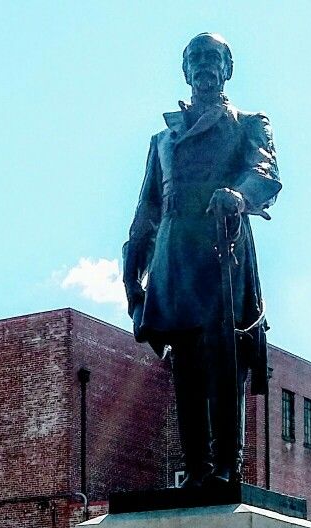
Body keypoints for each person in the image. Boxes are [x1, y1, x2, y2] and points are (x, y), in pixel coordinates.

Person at [123, 32, 281, 487]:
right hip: (175, 254)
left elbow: (265, 172)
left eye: (214, 58)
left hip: (221, 247)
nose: (205, 66)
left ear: (228, 69)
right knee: (187, 360)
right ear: (186, 70)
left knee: (225, 355)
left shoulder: (249, 122)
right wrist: (133, 273)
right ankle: (195, 468)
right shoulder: (162, 139)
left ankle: (228, 465)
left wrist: (238, 195)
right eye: (196, 59)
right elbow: (147, 209)